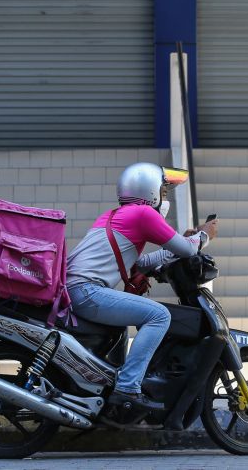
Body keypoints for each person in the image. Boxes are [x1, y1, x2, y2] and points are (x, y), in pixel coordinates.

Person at [65, 162, 219, 414]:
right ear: (150, 192)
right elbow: (188, 249)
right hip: (87, 291)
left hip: (77, 290)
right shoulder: (143, 214)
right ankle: (127, 387)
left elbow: (141, 263)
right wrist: (204, 235)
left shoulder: (114, 215)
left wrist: (181, 242)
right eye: (164, 191)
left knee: (122, 325)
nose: (165, 198)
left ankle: (110, 382)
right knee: (159, 315)